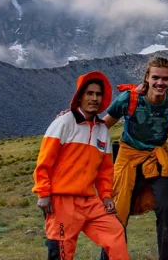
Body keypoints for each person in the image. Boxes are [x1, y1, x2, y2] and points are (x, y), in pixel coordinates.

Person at [32, 71, 129, 260]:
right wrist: (43, 193)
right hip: (62, 201)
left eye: (98, 94)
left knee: (116, 233)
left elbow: (105, 171)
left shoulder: (102, 130)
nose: (94, 98)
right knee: (62, 252)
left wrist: (107, 195)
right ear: (79, 96)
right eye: (89, 93)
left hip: (90, 201)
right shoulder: (64, 122)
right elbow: (45, 160)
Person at [102, 57, 168, 260]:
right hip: (128, 155)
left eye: (165, 79)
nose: (160, 83)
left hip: (157, 157)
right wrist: (74, 122)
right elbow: (103, 124)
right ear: (147, 78)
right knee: (117, 211)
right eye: (155, 77)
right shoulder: (129, 98)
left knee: (166, 209)